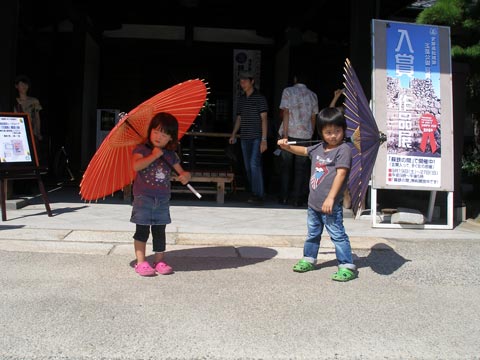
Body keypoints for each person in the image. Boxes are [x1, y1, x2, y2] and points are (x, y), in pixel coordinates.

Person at [277, 107, 357, 281]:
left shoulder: (344, 150)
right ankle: (309, 259)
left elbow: (341, 174)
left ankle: (346, 265)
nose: (333, 135)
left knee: (337, 234)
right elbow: (304, 151)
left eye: (337, 131)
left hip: (330, 205)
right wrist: (286, 147)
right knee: (313, 233)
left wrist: (331, 198)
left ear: (344, 130)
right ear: (321, 132)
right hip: (313, 203)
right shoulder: (319, 148)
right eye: (328, 132)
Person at [130, 112, 191, 277]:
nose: (159, 136)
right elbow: (136, 166)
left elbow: (182, 171)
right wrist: (153, 155)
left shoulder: (170, 155)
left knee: (159, 230)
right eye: (156, 132)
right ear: (150, 131)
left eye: (164, 134)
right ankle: (141, 261)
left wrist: (186, 176)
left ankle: (159, 260)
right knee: (142, 229)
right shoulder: (141, 149)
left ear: (171, 138)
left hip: (162, 199)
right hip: (143, 197)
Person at [278, 72, 319, 206]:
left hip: (289, 134)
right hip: (305, 136)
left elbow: (286, 112)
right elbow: (314, 117)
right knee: (301, 169)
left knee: (286, 167)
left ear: (295, 79)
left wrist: (284, 135)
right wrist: (311, 132)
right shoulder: (313, 95)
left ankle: (284, 197)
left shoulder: (288, 91)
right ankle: (296, 199)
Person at [229, 71, 269, 205]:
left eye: (245, 80)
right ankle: (255, 192)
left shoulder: (260, 98)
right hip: (245, 137)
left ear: (252, 81)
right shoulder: (241, 99)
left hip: (257, 137)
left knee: (254, 164)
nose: (242, 83)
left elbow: (264, 119)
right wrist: (234, 133)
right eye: (241, 81)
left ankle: (259, 194)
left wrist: (264, 139)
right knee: (248, 167)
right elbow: (239, 118)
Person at [328, 88, 352, 209]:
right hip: (340, 144)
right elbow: (330, 112)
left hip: (352, 144)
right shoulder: (341, 112)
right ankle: (344, 195)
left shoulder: (355, 113)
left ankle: (348, 196)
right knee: (339, 171)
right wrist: (336, 96)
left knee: (347, 172)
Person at [14, 75, 43, 144]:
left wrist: (38, 132)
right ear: (16, 86)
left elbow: (37, 118)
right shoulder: (13, 101)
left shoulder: (34, 101)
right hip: (17, 134)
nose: (24, 86)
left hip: (32, 133)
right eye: (21, 84)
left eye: (26, 84)